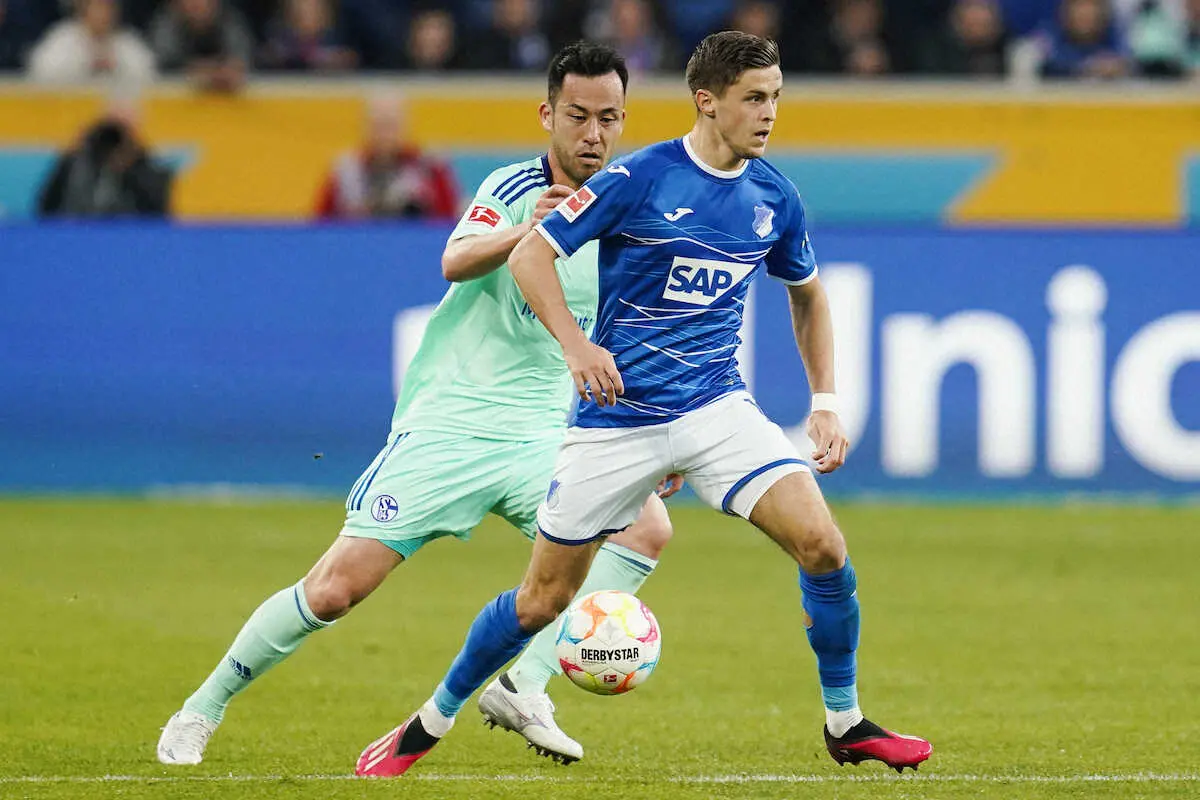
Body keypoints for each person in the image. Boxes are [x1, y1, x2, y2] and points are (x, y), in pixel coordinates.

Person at [355, 30, 933, 778]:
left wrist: (824, 398)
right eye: (754, 99)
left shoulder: (773, 197)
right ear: (707, 102)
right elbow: (531, 254)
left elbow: (809, 295)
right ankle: (429, 722)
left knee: (823, 545)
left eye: (776, 98)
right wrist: (576, 347)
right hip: (616, 424)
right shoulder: (638, 178)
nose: (769, 114)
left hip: (715, 411)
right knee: (540, 601)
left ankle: (846, 723)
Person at [156, 41, 677, 768]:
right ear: (547, 115)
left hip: (540, 437)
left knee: (645, 528)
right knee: (335, 590)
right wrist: (531, 229)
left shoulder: (629, 210)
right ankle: (201, 709)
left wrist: (651, 435)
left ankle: (525, 686)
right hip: (451, 426)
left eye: (609, 118)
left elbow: (633, 329)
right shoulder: (515, 185)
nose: (593, 134)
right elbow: (454, 259)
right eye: (578, 116)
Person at [314, 93, 459, 221]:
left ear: (404, 127)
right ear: (366, 128)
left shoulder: (429, 168)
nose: (384, 134)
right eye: (378, 126)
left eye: (390, 125)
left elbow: (448, 221)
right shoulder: (346, 171)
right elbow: (321, 225)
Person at [39, 99, 172, 217]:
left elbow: (156, 214)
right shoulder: (73, 164)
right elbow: (46, 208)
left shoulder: (150, 170)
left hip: (125, 233)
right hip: (76, 231)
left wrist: (131, 163)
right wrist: (80, 148)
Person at [27, 0, 156, 84]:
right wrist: (85, 63)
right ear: (83, 9)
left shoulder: (128, 43)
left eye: (109, 7)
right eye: (98, 6)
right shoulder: (62, 38)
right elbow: (40, 74)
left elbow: (149, 77)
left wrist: (116, 66)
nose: (104, 14)